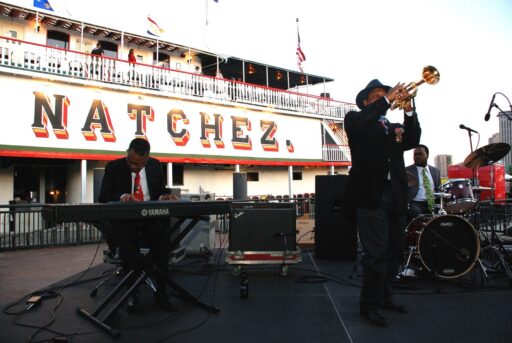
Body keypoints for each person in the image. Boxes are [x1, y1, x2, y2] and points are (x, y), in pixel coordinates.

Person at [343, 79, 421, 327]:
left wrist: (409, 109)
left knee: (394, 252)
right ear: (365, 102)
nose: (381, 98)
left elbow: (413, 138)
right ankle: (369, 305)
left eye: (383, 95)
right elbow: (363, 121)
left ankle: (386, 296)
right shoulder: (355, 119)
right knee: (375, 254)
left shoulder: (393, 126)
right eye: (375, 96)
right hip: (370, 195)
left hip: (396, 195)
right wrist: (386, 100)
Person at [99, 138, 176, 311]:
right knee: (128, 246)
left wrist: (164, 196)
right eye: (132, 162)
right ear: (128, 152)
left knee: (163, 244)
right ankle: (131, 294)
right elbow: (103, 196)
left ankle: (162, 293)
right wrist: (122, 197)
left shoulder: (155, 165)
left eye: (140, 165)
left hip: (151, 217)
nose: (135, 167)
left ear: (147, 159)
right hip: (127, 219)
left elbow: (159, 191)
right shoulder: (113, 167)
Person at [405, 144, 441, 220]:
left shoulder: (435, 171)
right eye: (415, 154)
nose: (417, 156)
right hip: (414, 202)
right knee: (416, 212)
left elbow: (439, 189)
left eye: (420, 154)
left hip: (432, 202)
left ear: (427, 155)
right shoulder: (407, 171)